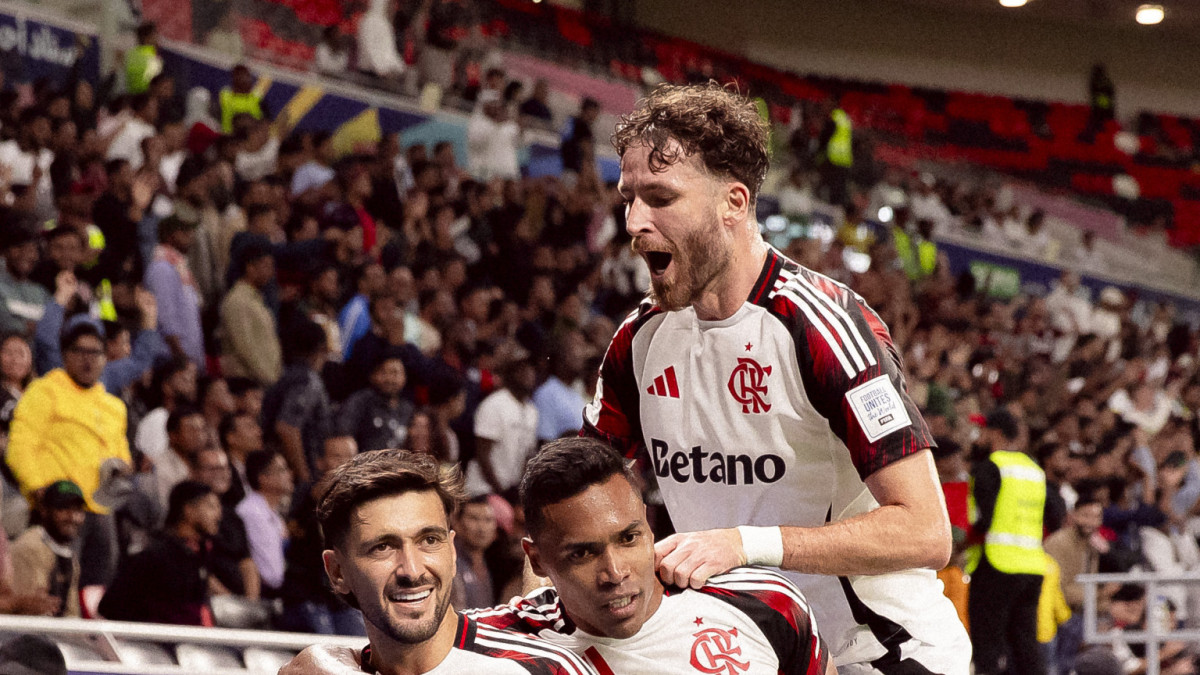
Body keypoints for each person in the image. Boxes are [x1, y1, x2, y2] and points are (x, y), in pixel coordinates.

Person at [583, 83, 968, 672]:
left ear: (733, 203)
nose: (634, 222)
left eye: (660, 197)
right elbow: (578, 497)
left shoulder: (823, 326)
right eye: (629, 198)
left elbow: (925, 532)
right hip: (751, 652)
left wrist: (744, 545)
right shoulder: (640, 340)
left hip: (880, 654)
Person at [285, 438, 833, 674]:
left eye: (628, 538)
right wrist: (322, 660)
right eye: (582, 554)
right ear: (537, 560)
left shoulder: (760, 600)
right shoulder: (525, 641)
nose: (614, 572)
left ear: (651, 527)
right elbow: (385, 649)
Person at [305, 449, 593, 674]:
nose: (412, 570)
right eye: (383, 547)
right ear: (337, 572)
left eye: (429, 540)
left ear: (452, 552)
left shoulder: (542, 669)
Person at [7, 321, 130, 586]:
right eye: (80, 351)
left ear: (105, 358)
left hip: (101, 510)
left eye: (95, 353)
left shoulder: (114, 407)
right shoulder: (44, 391)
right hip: (58, 508)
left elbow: (122, 456)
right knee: (56, 584)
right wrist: (38, 488)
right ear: (65, 355)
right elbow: (20, 446)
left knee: (98, 586)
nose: (88, 359)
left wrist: (123, 471)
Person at [966, 409, 1047, 675]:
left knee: (987, 642)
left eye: (983, 431)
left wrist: (962, 545)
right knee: (1026, 645)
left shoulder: (991, 467)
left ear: (996, 433)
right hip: (1032, 566)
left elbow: (984, 519)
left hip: (997, 564)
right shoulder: (1034, 469)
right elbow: (1054, 515)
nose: (979, 437)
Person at [99, 481, 221, 625]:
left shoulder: (199, 554)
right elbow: (110, 606)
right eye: (211, 506)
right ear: (188, 510)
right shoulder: (154, 554)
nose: (218, 514)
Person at [262, 319, 332, 483]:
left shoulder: (285, 376)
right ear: (321, 348)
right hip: (297, 470)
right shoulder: (307, 381)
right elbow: (287, 428)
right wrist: (305, 477)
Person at [9, 480, 87, 617]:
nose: (72, 517)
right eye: (63, 509)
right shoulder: (30, 547)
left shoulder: (68, 554)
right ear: (44, 510)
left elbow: (72, 614)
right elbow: (31, 614)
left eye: (78, 510)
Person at [466, 353, 538, 497]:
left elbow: (529, 455)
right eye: (522, 370)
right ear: (510, 374)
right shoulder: (494, 404)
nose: (528, 374)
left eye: (531, 370)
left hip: (510, 490)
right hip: (483, 489)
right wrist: (501, 491)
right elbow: (482, 454)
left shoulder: (532, 411)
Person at [145, 216, 205, 370]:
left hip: (189, 358)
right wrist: (180, 357)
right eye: (184, 232)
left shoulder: (180, 267)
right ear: (169, 235)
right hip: (172, 360)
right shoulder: (162, 268)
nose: (190, 236)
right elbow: (166, 318)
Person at [219, 238, 281, 385]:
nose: (271, 273)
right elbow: (245, 348)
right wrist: (268, 379)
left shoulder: (256, 300)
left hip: (265, 381)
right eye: (266, 266)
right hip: (248, 383)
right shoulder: (238, 301)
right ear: (250, 268)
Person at [236, 449, 293, 595]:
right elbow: (271, 575)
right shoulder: (252, 512)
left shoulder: (271, 511)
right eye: (282, 470)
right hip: (263, 592)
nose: (289, 474)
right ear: (263, 478)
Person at [337, 347, 414, 452]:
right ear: (373, 375)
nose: (389, 379)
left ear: (404, 377)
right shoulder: (360, 402)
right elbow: (343, 436)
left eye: (395, 373)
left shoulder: (408, 409)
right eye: (383, 372)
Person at [0, 225, 50, 336]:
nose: (26, 254)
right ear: (5, 252)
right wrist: (23, 328)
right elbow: (4, 323)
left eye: (32, 250)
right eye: (20, 247)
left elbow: (52, 327)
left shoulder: (40, 292)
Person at [449, 495, 497, 611]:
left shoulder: (492, 564)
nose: (482, 528)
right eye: (474, 519)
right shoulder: (451, 563)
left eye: (488, 520)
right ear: (457, 524)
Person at [219, 64, 265, 133]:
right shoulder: (255, 98)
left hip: (239, 136)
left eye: (247, 76)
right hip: (232, 136)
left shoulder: (225, 95)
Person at [124, 22, 163, 95]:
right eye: (155, 35)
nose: (157, 38)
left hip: (132, 94)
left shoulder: (131, 54)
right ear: (147, 38)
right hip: (146, 96)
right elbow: (155, 83)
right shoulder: (152, 56)